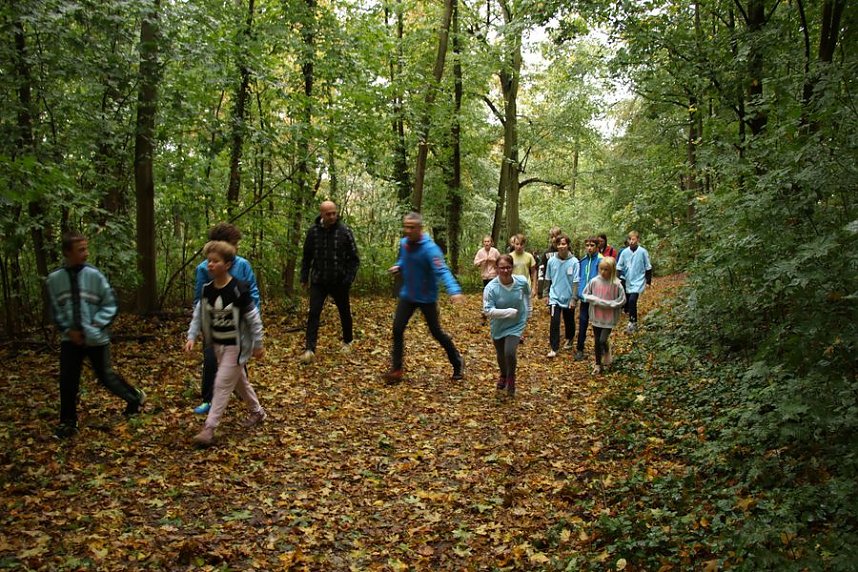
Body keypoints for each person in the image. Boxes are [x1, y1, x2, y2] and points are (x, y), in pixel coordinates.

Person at [46, 232, 146, 439]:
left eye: (86, 248)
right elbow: (55, 309)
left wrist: (94, 326)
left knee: (106, 376)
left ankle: (134, 398)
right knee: (68, 380)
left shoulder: (94, 275)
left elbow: (110, 304)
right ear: (67, 252)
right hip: (70, 340)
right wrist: (69, 330)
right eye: (80, 249)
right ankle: (67, 422)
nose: (85, 253)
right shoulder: (55, 279)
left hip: (95, 338)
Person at [185, 241, 266, 447]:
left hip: (236, 346)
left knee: (221, 383)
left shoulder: (238, 289)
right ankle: (257, 412)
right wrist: (192, 336)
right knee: (239, 382)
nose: (210, 265)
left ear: (227, 264)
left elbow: (253, 318)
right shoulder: (207, 289)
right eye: (208, 261)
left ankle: (209, 429)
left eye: (215, 261)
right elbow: (199, 314)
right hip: (218, 344)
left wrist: (258, 343)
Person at [384, 212, 465, 384]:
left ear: (420, 228)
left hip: (426, 297)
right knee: (397, 329)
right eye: (406, 226)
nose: (408, 230)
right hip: (408, 295)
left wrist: (454, 290)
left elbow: (442, 270)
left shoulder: (430, 249)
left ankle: (457, 362)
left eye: (412, 227)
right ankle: (396, 369)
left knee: (436, 332)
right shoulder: (404, 243)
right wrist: (399, 266)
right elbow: (405, 261)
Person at [192, 223, 259, 415]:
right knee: (212, 359)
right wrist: (201, 326)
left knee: (238, 358)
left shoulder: (243, 265)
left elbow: (252, 292)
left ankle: (239, 392)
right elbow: (199, 298)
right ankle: (208, 398)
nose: (236, 248)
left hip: (239, 322)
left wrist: (253, 317)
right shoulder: (204, 269)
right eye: (233, 243)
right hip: (215, 323)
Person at [299, 200, 360, 363]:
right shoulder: (313, 232)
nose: (332, 216)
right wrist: (304, 277)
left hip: (339, 281)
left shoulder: (345, 231)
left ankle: (348, 341)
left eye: (334, 213)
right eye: (328, 214)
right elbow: (307, 257)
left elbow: (354, 258)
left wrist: (348, 279)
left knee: (344, 311)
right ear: (321, 214)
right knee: (314, 313)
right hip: (319, 280)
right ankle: (310, 348)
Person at [482, 254, 531, 397]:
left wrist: (529, 310)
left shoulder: (521, 281)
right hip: (498, 325)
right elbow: (487, 310)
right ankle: (503, 374)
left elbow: (527, 294)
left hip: (517, 323)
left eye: (508, 267)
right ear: (496, 269)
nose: (505, 270)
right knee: (501, 354)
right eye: (502, 268)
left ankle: (511, 378)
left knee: (509, 352)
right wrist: (507, 312)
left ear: (512, 268)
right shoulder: (491, 288)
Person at [581, 257, 626, 374]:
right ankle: (598, 364)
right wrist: (595, 300)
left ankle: (606, 350)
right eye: (601, 269)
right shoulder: (594, 281)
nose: (603, 272)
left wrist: (611, 304)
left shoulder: (616, 284)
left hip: (609, 317)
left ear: (612, 270)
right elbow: (585, 294)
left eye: (606, 270)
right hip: (597, 315)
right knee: (597, 340)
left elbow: (622, 300)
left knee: (602, 339)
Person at [544, 234, 579, 358]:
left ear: (568, 245)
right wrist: (546, 294)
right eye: (559, 244)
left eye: (563, 244)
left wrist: (574, 298)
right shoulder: (551, 261)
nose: (561, 246)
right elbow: (548, 278)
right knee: (554, 321)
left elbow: (576, 281)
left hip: (568, 296)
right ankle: (554, 347)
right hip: (554, 296)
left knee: (569, 320)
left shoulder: (574, 262)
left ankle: (569, 338)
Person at [616, 231, 652, 332]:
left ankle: (633, 322)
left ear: (637, 240)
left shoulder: (643, 252)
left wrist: (648, 281)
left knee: (632, 300)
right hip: (627, 280)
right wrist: (617, 278)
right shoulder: (624, 252)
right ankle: (632, 319)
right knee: (628, 301)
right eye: (629, 239)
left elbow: (648, 267)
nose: (631, 241)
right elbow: (619, 266)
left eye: (633, 239)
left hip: (639, 280)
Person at [574, 236, 602, 361]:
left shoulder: (602, 260)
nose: (589, 248)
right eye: (587, 245)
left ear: (597, 247)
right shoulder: (583, 261)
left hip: (597, 299)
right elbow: (579, 278)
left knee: (598, 326)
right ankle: (580, 349)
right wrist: (578, 294)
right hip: (584, 298)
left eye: (592, 245)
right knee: (583, 324)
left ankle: (600, 350)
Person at [537, 227, 561, 299]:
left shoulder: (566, 252)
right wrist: (540, 290)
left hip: (563, 286)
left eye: (556, 236)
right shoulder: (547, 253)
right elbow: (541, 271)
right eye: (552, 237)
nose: (554, 239)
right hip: (550, 287)